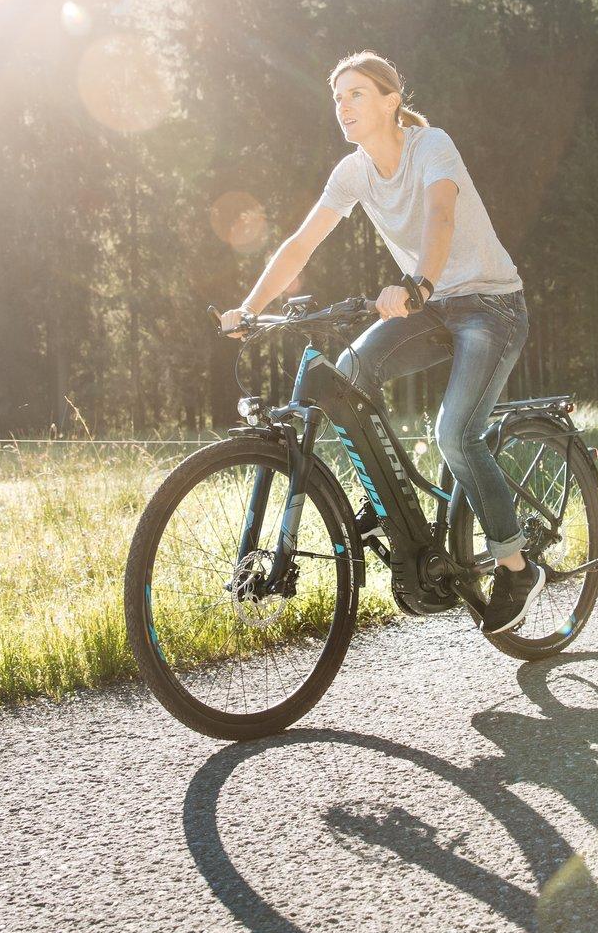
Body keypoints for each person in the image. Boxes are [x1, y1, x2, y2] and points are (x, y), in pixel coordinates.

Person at [219, 51, 545, 633]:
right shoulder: (353, 172)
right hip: (433, 307)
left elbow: (440, 217)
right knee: (345, 375)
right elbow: (300, 244)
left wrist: (418, 282)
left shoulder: (431, 146)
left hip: (490, 307)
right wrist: (250, 307)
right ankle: (395, 504)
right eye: (337, 97)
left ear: (392, 100)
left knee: (455, 432)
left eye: (356, 94)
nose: (343, 106)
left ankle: (515, 564)